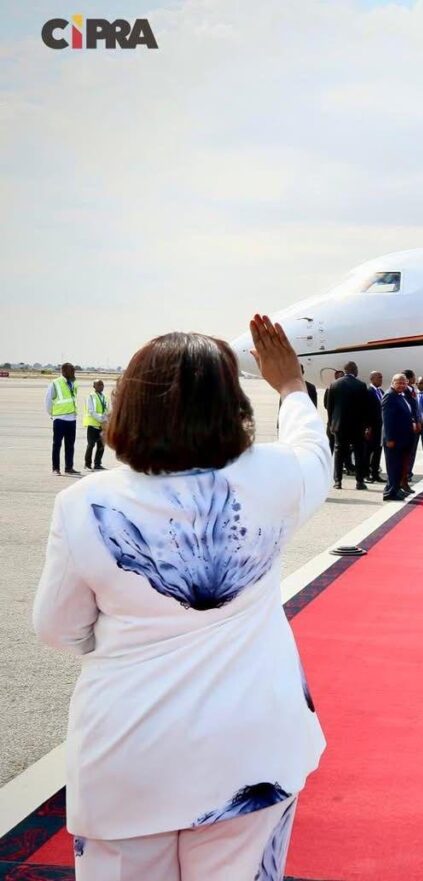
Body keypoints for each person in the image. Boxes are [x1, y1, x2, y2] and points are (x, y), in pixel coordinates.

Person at [32, 318, 330, 881]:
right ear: (232, 406)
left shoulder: (84, 504)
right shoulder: (275, 478)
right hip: (251, 746)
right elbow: (313, 449)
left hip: (128, 747)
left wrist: (132, 635)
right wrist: (291, 386)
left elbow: (57, 628)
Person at [326, 362, 370, 490]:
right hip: (357, 425)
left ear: (345, 371)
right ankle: (359, 481)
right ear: (354, 370)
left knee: (339, 452)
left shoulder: (334, 384)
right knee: (359, 453)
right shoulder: (361, 385)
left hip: (340, 425)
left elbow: (330, 407)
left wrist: (331, 424)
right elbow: (365, 408)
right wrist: (366, 425)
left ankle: (338, 481)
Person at [381, 373, 418, 501]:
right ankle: (391, 493)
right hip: (394, 439)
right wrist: (389, 438)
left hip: (402, 439)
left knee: (398, 466)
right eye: (399, 383)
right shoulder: (390, 396)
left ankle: (394, 489)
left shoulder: (400, 395)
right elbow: (387, 420)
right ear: (393, 383)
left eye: (404, 383)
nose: (402, 385)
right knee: (393, 467)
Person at [46, 362, 80, 475]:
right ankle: (55, 468)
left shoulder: (73, 383)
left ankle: (69, 467)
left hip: (71, 419)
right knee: (57, 444)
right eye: (72, 371)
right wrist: (53, 414)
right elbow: (48, 400)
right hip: (60, 419)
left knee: (70, 445)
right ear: (64, 371)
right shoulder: (55, 383)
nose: (74, 373)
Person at [401, 368, 422, 492]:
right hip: (408, 427)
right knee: (406, 454)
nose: (415, 379)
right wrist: (414, 421)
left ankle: (407, 474)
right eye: (413, 377)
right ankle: (404, 477)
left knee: (411, 452)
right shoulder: (404, 392)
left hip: (415, 427)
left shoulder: (412, 390)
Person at [83, 380, 110, 471]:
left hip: (102, 426)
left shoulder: (105, 397)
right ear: (94, 386)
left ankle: (97, 464)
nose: (101, 386)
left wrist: (105, 420)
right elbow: (91, 411)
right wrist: (101, 419)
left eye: (102, 385)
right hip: (93, 425)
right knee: (91, 445)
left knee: (101, 446)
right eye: (99, 385)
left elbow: (107, 410)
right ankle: (87, 464)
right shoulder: (91, 396)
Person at [365, 370, 384, 482]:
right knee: (368, 451)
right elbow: (366, 411)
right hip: (371, 427)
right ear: (372, 379)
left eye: (381, 377)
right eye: (379, 377)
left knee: (378, 450)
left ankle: (375, 473)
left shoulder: (381, 391)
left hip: (380, 427)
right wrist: (367, 427)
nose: (381, 379)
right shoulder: (368, 391)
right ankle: (366, 474)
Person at [322, 369, 343, 455]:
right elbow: (326, 404)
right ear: (335, 377)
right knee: (330, 445)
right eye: (340, 376)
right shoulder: (329, 388)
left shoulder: (345, 388)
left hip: (342, 423)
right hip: (332, 422)